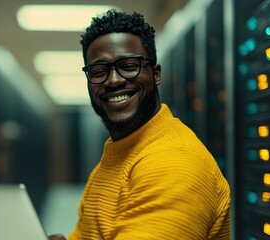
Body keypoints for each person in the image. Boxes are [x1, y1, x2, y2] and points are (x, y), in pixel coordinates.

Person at [48, 9, 230, 240]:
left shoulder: (174, 162)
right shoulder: (113, 160)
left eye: (129, 65)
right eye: (98, 70)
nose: (113, 80)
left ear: (156, 74)